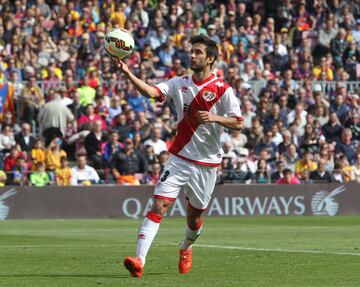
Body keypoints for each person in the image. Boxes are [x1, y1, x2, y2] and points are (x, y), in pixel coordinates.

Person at [113, 35, 243, 277]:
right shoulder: (177, 83)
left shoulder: (223, 89)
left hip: (206, 165)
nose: (191, 55)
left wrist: (214, 117)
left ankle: (186, 246)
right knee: (159, 205)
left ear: (210, 58)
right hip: (179, 159)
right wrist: (128, 73)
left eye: (197, 52)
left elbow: (238, 123)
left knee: (193, 220)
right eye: (191, 51)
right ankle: (139, 260)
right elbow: (152, 92)